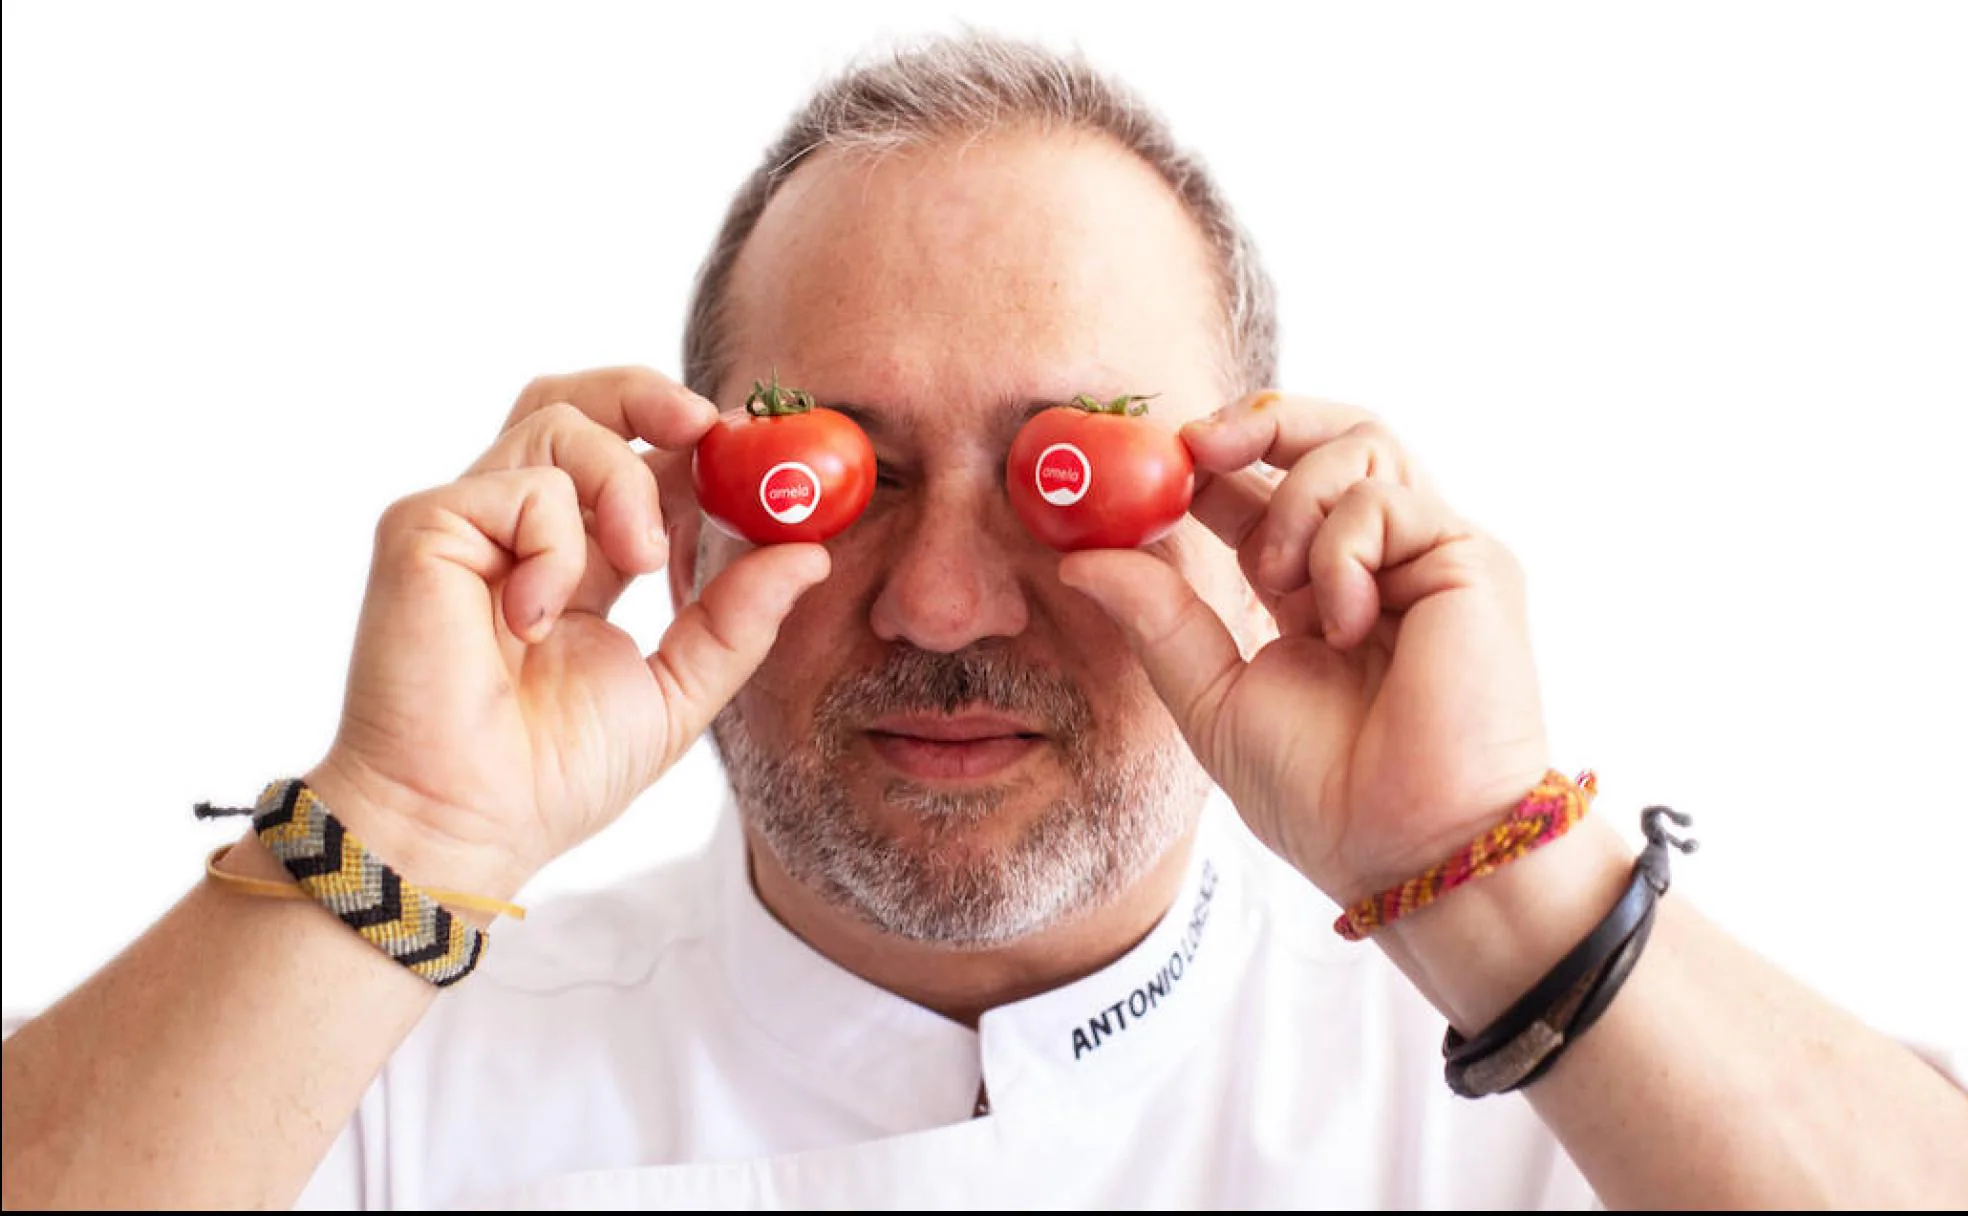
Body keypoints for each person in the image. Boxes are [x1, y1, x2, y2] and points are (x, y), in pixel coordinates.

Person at [4, 31, 1965, 1210]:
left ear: (1238, 519)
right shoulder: (355, 1065)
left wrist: (1495, 871)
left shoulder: (1554, 1089)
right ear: (688, 522)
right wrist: (408, 822)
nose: (942, 600)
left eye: (1069, 474)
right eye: (839, 472)